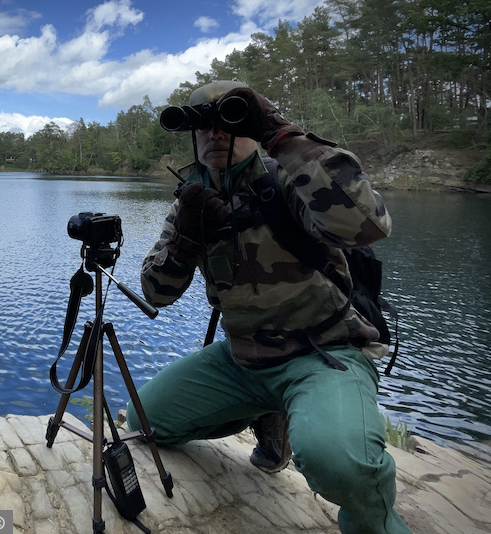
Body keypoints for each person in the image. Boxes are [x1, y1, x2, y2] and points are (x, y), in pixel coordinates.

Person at [126, 80, 412, 534]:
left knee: (336, 461)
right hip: (244, 359)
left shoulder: (290, 180)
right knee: (147, 419)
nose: (214, 134)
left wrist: (280, 133)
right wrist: (183, 241)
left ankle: (376, 522)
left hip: (325, 353)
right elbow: (155, 293)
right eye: (202, 125)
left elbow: (367, 226)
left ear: (252, 124)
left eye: (229, 121)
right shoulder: (192, 201)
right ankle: (269, 414)